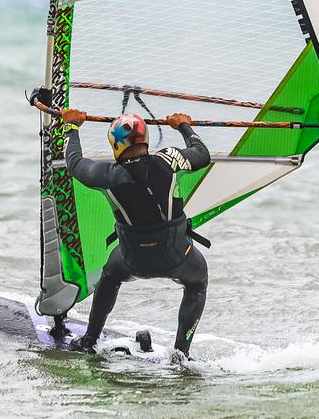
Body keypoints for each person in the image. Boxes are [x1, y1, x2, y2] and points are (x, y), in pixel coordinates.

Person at [57, 107, 211, 357]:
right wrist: (183, 125)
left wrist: (71, 127)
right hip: (177, 255)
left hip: (132, 259)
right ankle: (181, 355)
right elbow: (202, 154)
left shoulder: (106, 175)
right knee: (197, 281)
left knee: (110, 275)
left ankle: (89, 341)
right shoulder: (168, 160)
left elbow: (74, 163)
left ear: (116, 146)